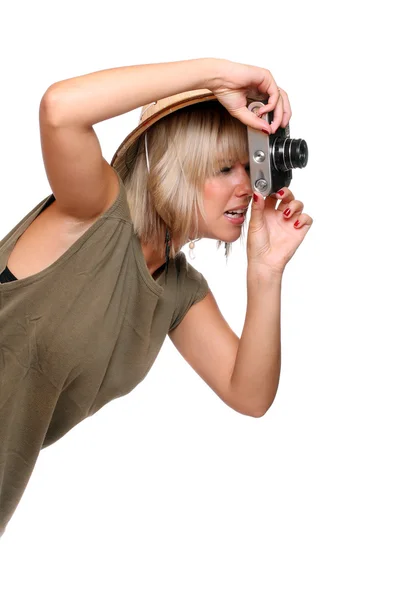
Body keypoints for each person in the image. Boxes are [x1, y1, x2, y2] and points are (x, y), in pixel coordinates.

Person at [0, 57, 313, 537]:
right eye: (223, 167)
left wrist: (265, 271)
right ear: (173, 165)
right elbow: (59, 108)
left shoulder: (176, 289)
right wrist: (214, 76)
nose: (247, 188)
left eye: (249, 167)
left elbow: (249, 394)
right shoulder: (95, 211)